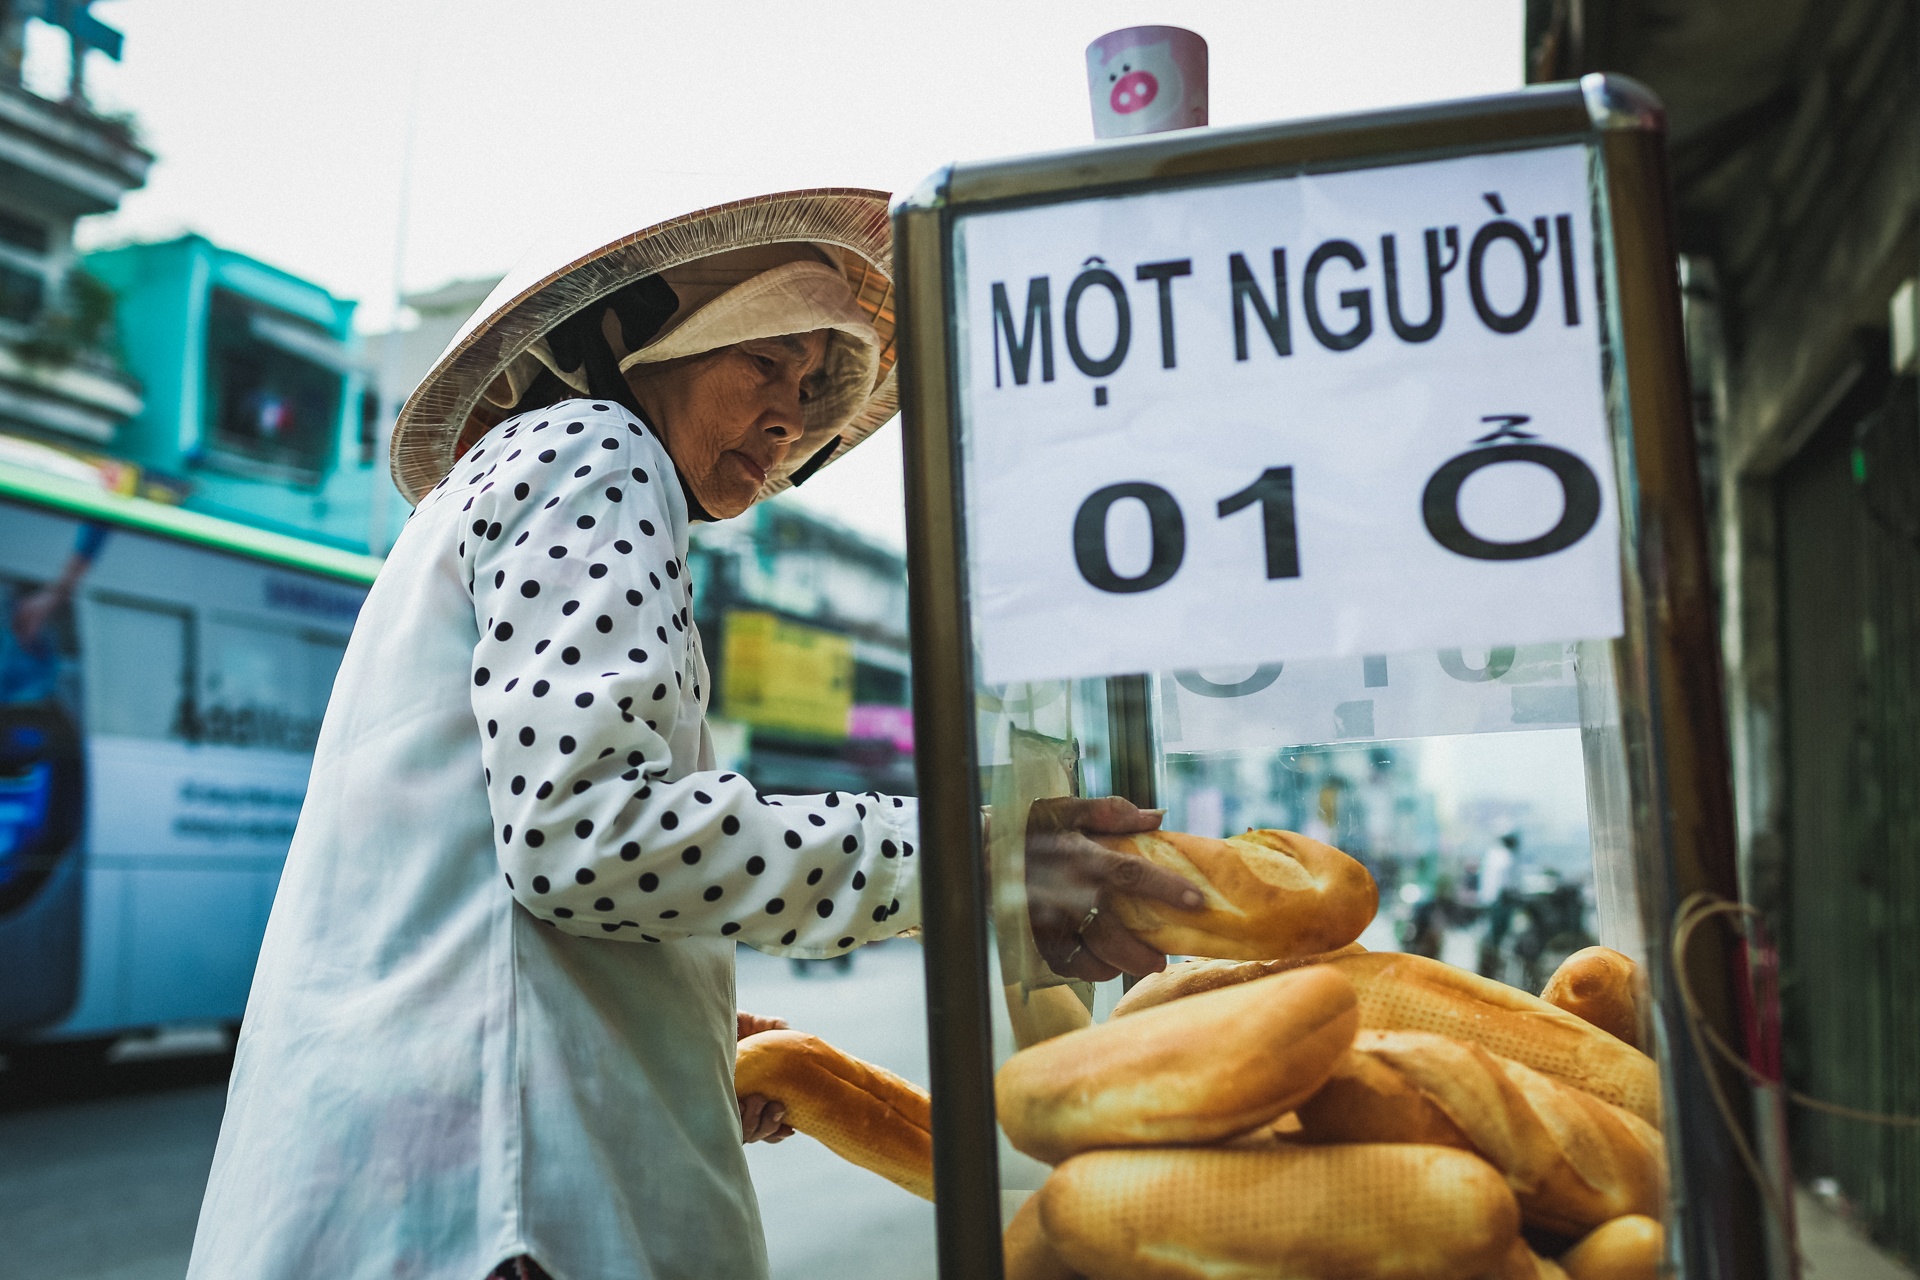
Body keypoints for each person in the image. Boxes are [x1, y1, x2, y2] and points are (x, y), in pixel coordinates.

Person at [185, 190, 1196, 1280]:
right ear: (634, 342)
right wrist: (979, 858)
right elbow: (588, 837)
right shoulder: (595, 448)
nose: (790, 415)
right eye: (762, 362)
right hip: (503, 1219)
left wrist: (682, 1038)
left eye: (809, 385)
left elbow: (535, 888)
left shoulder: (530, 483)